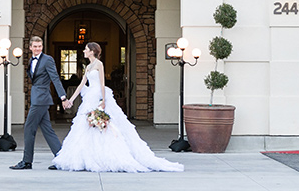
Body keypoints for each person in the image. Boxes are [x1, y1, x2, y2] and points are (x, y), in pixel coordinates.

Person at [51, 42, 183, 173]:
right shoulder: (88, 66)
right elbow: (81, 85)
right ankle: (87, 156)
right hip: (89, 97)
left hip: (98, 96)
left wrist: (103, 100)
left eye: (86, 49)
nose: (84, 51)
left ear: (92, 51)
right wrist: (71, 100)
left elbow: (102, 83)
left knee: (105, 125)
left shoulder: (99, 64)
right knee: (85, 126)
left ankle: (106, 156)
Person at [10, 36, 72, 170]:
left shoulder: (47, 60)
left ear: (42, 47)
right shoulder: (32, 60)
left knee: (28, 128)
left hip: (41, 99)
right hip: (38, 97)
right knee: (47, 130)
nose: (38, 49)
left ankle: (27, 161)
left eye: (40, 46)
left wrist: (63, 97)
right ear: (30, 47)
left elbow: (55, 78)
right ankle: (63, 159)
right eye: (35, 46)